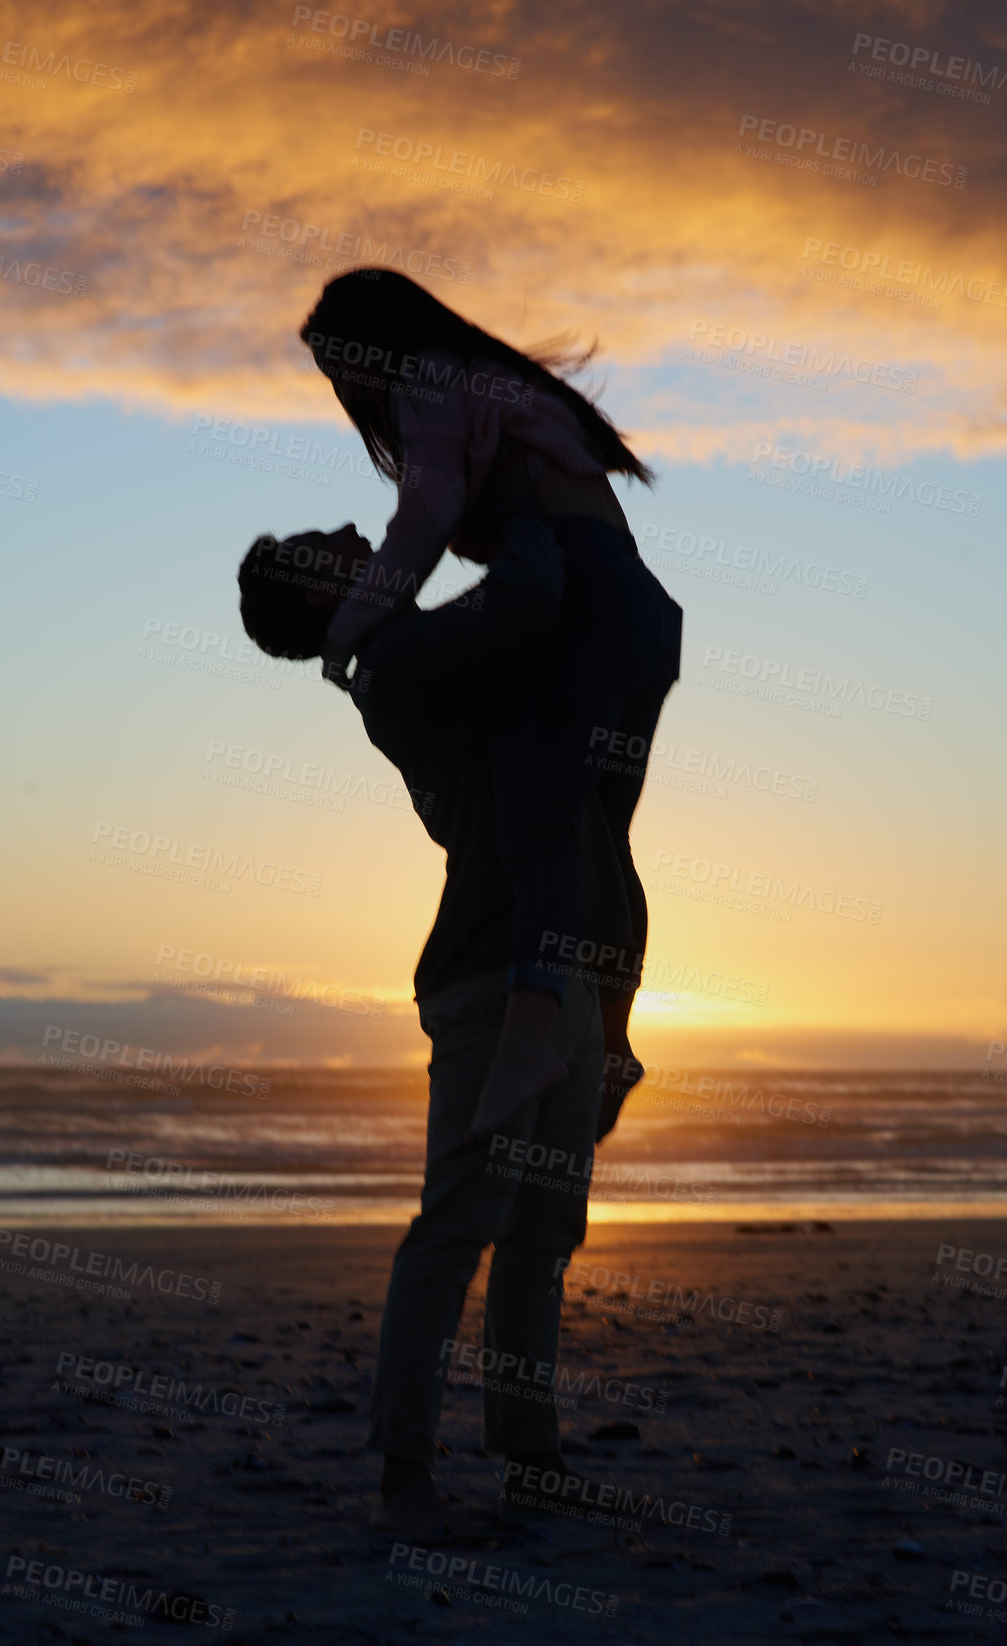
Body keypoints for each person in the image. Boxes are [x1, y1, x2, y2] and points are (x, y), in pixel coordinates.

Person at [237, 503, 673, 1533]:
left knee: (542, 1230)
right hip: (491, 978)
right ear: (317, 595)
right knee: (463, 1224)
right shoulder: (399, 664)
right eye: (320, 546)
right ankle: (404, 1475)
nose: (349, 525)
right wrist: (510, 490)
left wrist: (612, 1008)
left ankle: (531, 1456)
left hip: (557, 976)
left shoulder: (417, 654)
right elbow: (523, 595)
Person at [298, 269, 682, 1141]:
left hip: (588, 597)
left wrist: (347, 628)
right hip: (642, 611)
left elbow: (425, 517)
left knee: (536, 821)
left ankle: (530, 1036)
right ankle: (613, 1035)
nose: (345, 391)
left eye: (339, 368)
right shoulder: (492, 385)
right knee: (598, 838)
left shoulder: (426, 378)